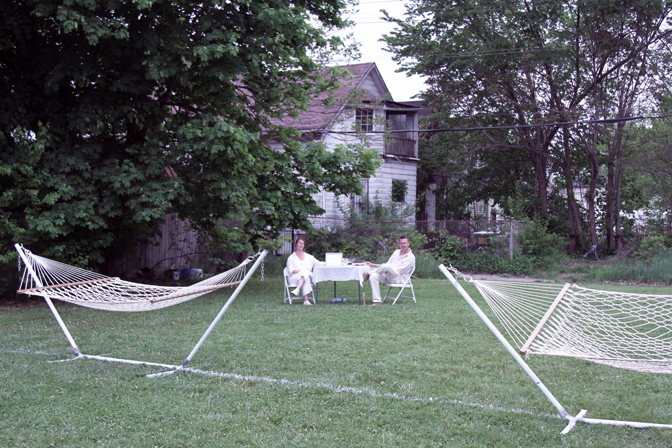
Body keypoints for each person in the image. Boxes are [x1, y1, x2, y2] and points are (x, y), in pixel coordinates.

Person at [363, 235, 415, 306]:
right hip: (387, 275)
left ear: (408, 244)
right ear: (399, 244)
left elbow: (399, 270)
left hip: (398, 278)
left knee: (387, 267)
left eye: (404, 243)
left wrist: (388, 268)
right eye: (401, 243)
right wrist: (373, 265)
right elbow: (386, 265)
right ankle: (377, 301)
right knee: (374, 276)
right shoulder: (396, 252)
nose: (402, 245)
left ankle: (368, 274)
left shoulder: (411, 257)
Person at [286, 237, 321, 305]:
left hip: (304, 277)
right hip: (294, 278)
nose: (301, 245)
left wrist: (328, 262)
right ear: (296, 244)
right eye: (299, 243)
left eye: (302, 243)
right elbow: (291, 271)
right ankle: (306, 300)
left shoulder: (309, 257)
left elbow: (318, 263)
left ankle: (297, 290)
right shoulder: (291, 258)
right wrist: (303, 269)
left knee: (305, 276)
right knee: (305, 274)